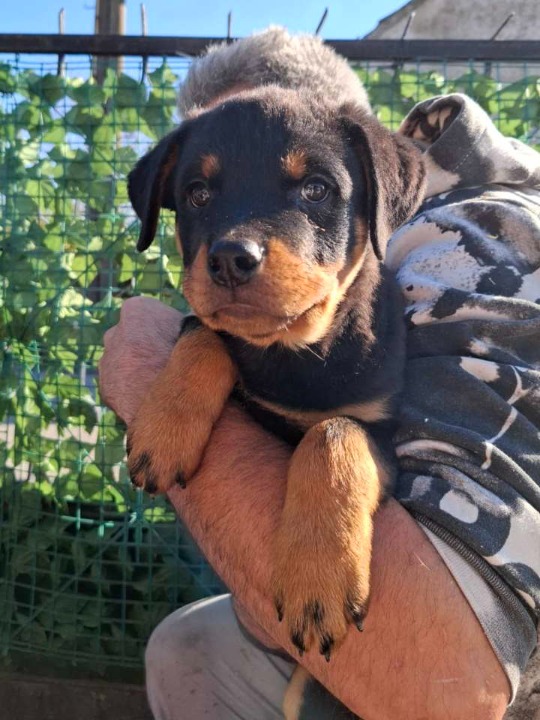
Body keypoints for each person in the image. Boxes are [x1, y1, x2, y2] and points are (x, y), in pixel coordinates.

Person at [99, 28, 540, 720]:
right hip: (289, 625)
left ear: (374, 193)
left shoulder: (476, 245)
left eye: (310, 188)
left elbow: (452, 688)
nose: (237, 242)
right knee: (182, 646)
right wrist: (189, 362)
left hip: (449, 658)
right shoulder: (222, 330)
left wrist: (332, 458)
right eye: (203, 194)